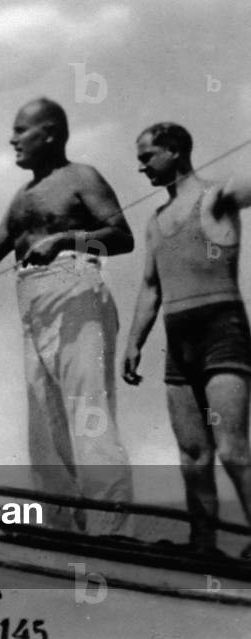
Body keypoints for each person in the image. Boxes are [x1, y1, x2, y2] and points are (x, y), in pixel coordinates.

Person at [0, 98, 135, 534]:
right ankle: (62, 527)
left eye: (21, 130)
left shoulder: (81, 177)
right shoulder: (21, 198)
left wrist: (66, 239)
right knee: (44, 422)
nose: (12, 140)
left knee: (88, 410)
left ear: (48, 133)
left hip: (75, 289)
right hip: (31, 301)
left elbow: (121, 237)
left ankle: (110, 530)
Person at [123, 122, 251, 555]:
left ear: (174, 150)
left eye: (147, 157)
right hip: (178, 340)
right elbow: (150, 288)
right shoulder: (155, 220)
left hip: (222, 332)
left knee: (232, 449)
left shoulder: (216, 197)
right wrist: (134, 342)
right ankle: (202, 544)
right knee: (193, 453)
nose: (141, 167)